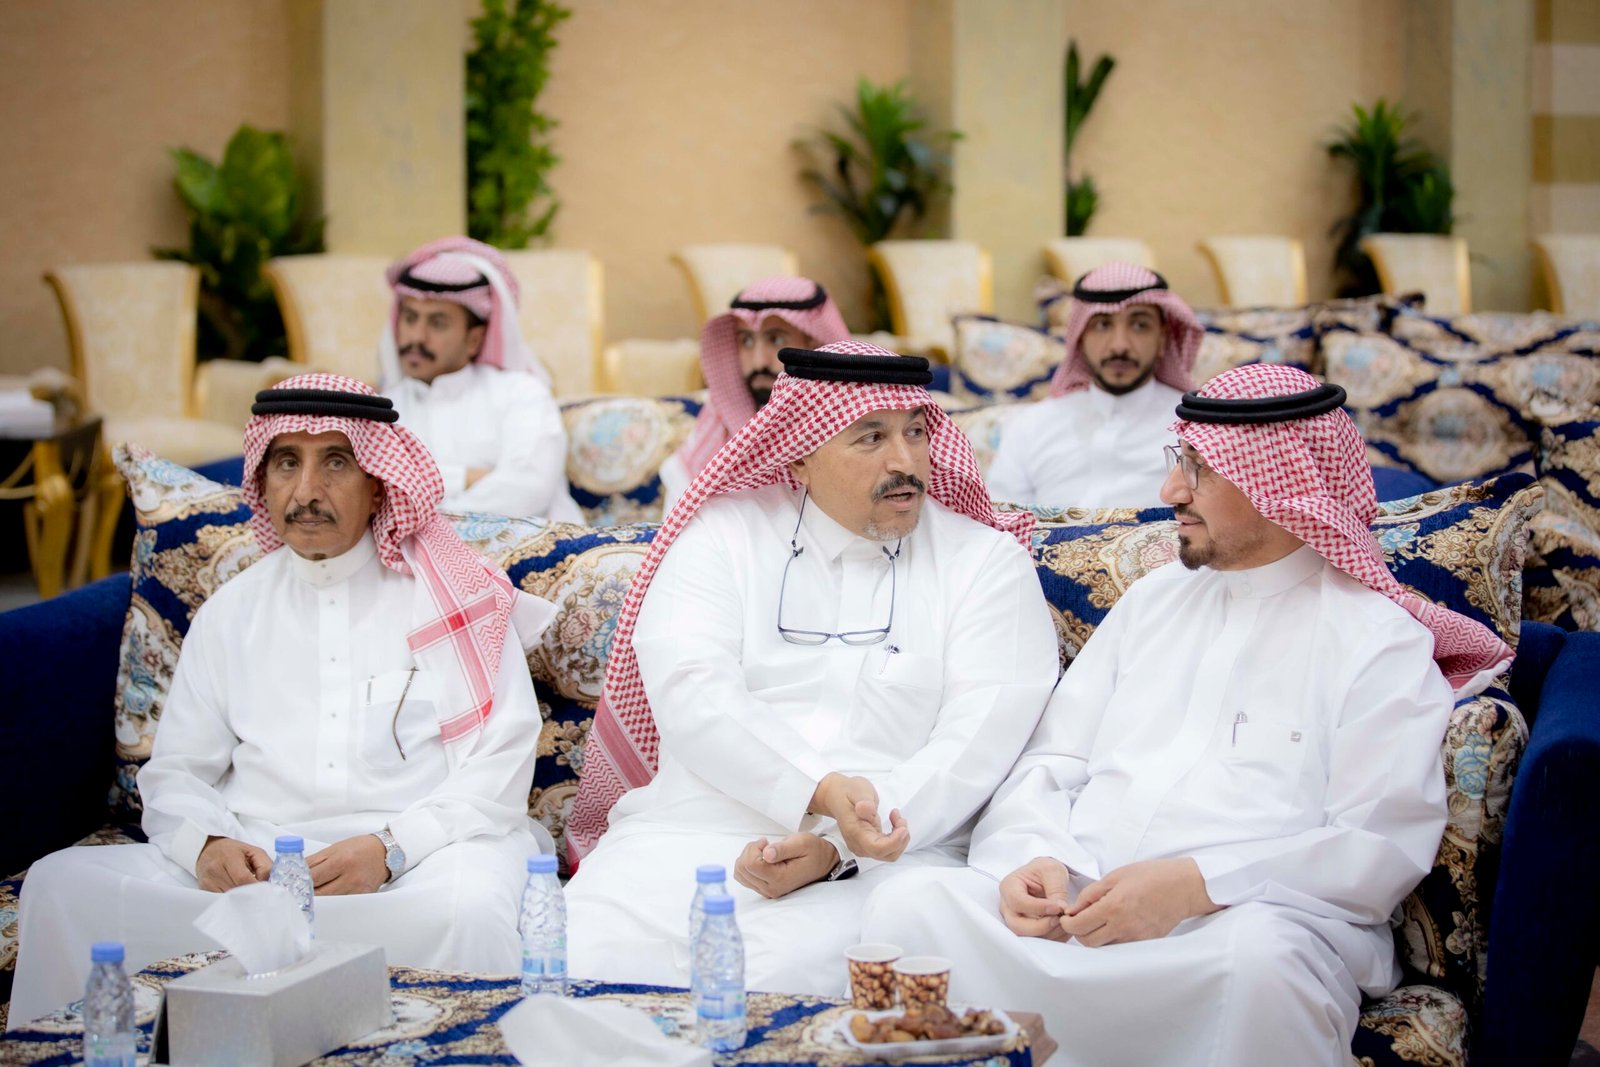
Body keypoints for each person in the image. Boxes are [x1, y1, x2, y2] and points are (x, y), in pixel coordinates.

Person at [860, 364, 1515, 1065]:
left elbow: (1375, 845)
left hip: (1228, 933)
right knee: (910, 905)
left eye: (1198, 469)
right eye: (1179, 463)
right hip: (1075, 913)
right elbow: (1051, 758)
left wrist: (1197, 886)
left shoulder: (1376, 641)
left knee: (1263, 966)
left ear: (1280, 485)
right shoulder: (1152, 601)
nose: (1171, 490)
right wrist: (1034, 857)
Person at [10, 374, 556, 1026]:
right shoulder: (231, 612)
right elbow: (176, 771)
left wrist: (391, 848)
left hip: (418, 864)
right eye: (287, 463)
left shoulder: (451, 600)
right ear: (261, 480)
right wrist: (206, 844)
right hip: (260, 866)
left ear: (378, 482)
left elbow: (501, 759)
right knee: (60, 885)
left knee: (470, 909)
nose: (306, 491)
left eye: (336, 462)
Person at [563, 341, 1059, 993]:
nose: (904, 461)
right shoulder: (722, 537)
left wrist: (843, 843)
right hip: (685, 833)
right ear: (798, 453)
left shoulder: (984, 563)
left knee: (773, 986)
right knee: (572, 964)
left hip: (886, 860)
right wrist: (818, 790)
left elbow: (977, 744)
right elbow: (693, 694)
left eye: (915, 432)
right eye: (871, 437)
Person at [379, 236, 581, 522]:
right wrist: (466, 477)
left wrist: (428, 516)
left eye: (437, 323)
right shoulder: (384, 408)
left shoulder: (521, 393)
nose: (416, 337)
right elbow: (376, 493)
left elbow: (527, 489)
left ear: (474, 339)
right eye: (410, 318)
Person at [986, 262, 1202, 509]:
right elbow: (999, 518)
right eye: (1102, 325)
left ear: (1163, 338)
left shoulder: (1192, 429)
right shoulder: (1032, 425)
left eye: (1140, 325)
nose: (1119, 346)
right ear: (1080, 336)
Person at [658, 276, 851, 513]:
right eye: (746, 341)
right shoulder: (714, 431)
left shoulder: (856, 426)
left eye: (776, 339)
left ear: (815, 343)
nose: (759, 361)